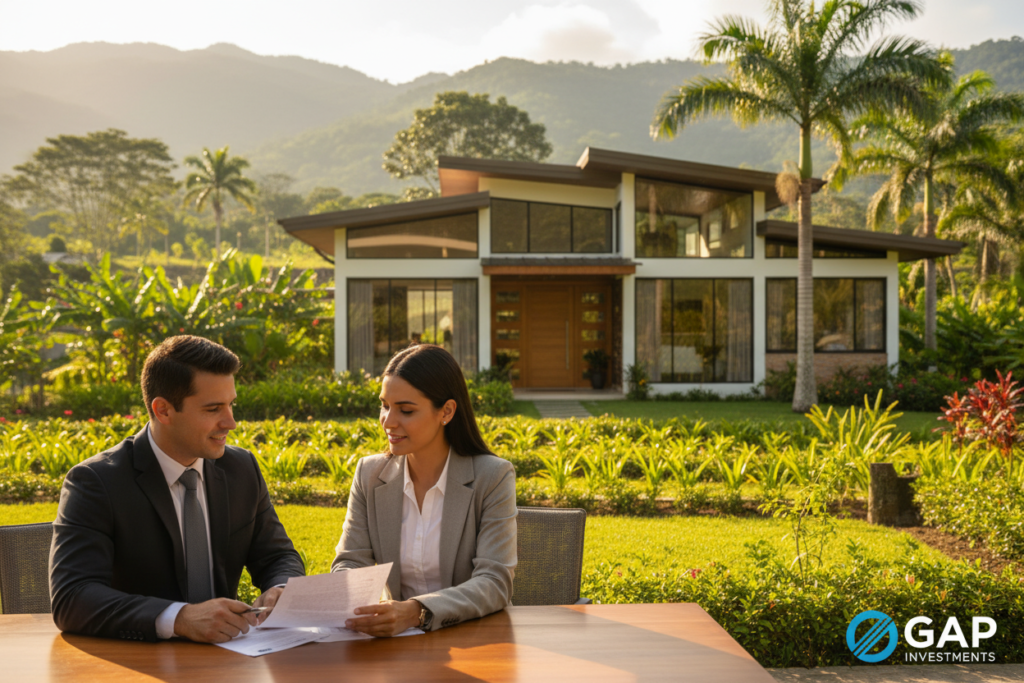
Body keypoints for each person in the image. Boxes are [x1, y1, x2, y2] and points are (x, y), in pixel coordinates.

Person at [49, 336, 305, 643]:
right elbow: (73, 597)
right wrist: (179, 618)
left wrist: (281, 589)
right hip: (142, 663)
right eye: (213, 409)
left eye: (231, 405)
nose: (231, 422)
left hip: (231, 660)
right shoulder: (96, 482)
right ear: (163, 411)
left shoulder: (241, 469)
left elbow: (278, 556)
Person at [333, 344, 516, 636]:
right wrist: (360, 603)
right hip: (393, 644)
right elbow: (350, 562)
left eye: (405, 410)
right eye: (384, 405)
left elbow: (494, 582)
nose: (388, 422)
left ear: (446, 411)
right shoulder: (370, 474)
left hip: (471, 640)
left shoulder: (491, 477)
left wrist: (416, 612)